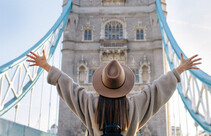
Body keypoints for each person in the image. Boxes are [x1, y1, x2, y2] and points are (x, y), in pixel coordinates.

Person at [27, 51, 201, 136]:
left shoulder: (90, 105)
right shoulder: (134, 106)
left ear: (101, 84)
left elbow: (69, 87)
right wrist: (179, 69)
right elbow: (156, 90)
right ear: (124, 84)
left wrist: (46, 66)